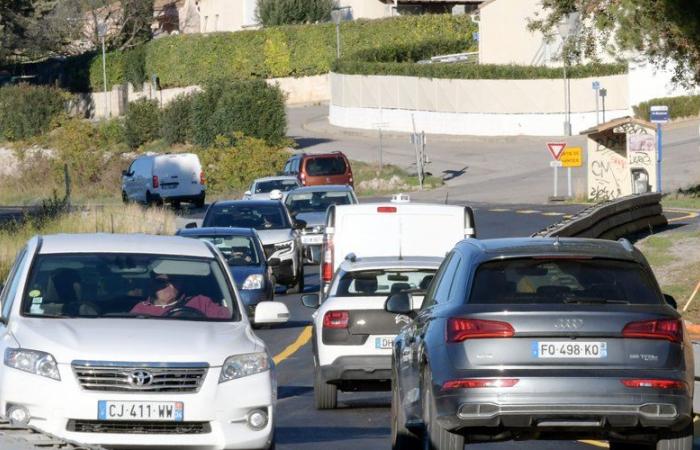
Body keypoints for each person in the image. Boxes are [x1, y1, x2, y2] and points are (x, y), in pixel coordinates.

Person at [130, 273, 230, 319]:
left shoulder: (201, 302)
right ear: (152, 284)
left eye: (174, 280)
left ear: (182, 283)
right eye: (162, 282)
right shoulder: (140, 309)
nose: (170, 286)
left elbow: (231, 323)